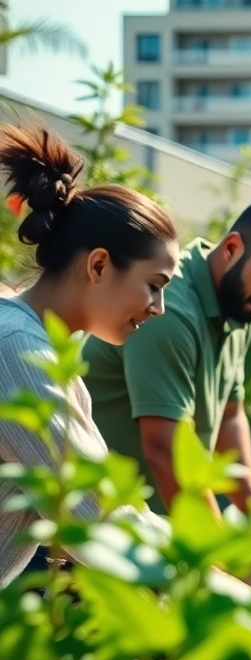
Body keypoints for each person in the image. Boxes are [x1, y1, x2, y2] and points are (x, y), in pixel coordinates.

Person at [0, 124, 178, 585]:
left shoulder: (42, 348)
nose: (158, 309)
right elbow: (97, 519)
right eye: (154, 286)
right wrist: (231, 588)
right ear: (98, 265)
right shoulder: (18, 349)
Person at [82, 194, 251, 519]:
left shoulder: (239, 305)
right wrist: (222, 557)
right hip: (97, 523)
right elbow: (165, 451)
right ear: (232, 248)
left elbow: (230, 418)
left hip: (156, 522)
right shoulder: (169, 311)